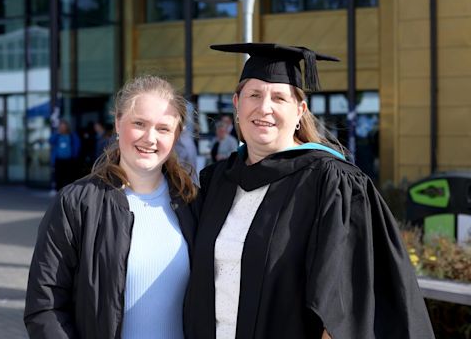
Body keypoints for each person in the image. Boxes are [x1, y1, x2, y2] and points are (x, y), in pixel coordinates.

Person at [184, 43, 435, 339]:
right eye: (254, 94)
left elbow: (343, 308)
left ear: (300, 110)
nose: (264, 107)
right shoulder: (217, 181)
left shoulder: (332, 183)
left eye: (279, 97)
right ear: (237, 103)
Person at [25, 76, 198, 339]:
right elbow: (45, 306)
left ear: (176, 134)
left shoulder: (193, 204)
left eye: (163, 128)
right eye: (139, 123)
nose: (150, 138)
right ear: (118, 123)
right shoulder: (76, 203)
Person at [49, 119, 81, 190]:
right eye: (61, 126)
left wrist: (75, 156)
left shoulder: (72, 135)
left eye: (64, 126)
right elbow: (51, 141)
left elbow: (77, 146)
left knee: (69, 178)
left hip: (69, 161)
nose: (62, 128)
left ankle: (68, 192)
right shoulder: (57, 136)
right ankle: (58, 192)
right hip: (58, 161)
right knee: (58, 178)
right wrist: (56, 133)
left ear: (67, 127)